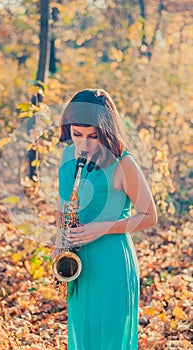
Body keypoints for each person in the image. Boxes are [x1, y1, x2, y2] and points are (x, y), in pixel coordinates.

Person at [52, 88, 157, 350]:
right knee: (83, 337)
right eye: (77, 134)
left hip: (111, 261)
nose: (84, 143)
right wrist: (57, 245)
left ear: (106, 131)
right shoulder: (68, 156)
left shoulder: (124, 163)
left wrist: (103, 227)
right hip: (76, 260)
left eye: (93, 136)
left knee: (109, 341)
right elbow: (62, 203)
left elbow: (149, 215)